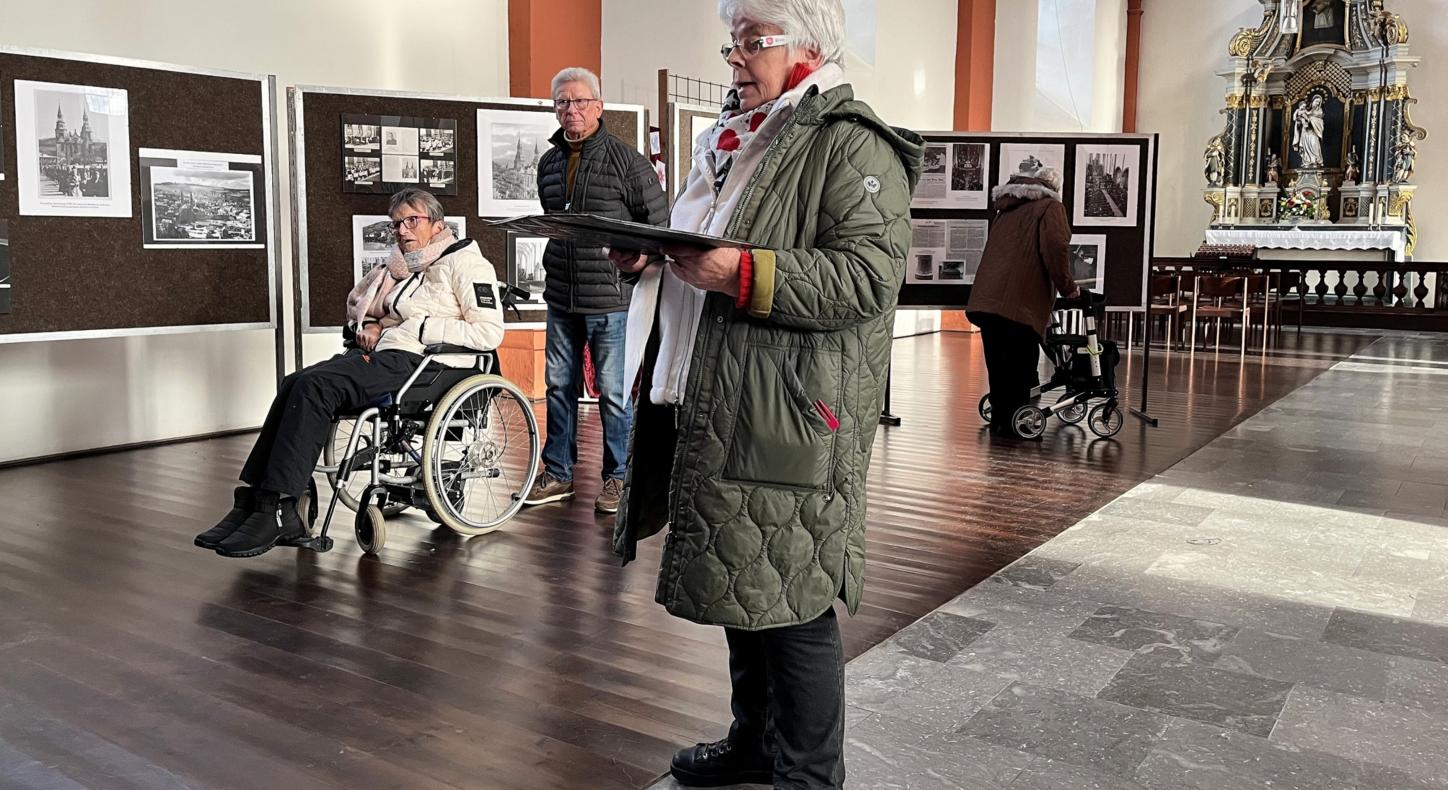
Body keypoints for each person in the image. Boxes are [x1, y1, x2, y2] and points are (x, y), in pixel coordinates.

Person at [607, 1, 922, 786]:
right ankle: (754, 744)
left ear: (809, 47)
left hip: (784, 412)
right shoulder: (736, 137)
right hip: (714, 395)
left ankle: (810, 777)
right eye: (732, 43)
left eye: (754, 43)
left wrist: (743, 272)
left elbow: (867, 279)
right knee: (739, 578)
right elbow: (704, 244)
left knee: (794, 602)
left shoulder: (847, 141)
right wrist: (651, 261)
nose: (735, 60)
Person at [193, 187, 505, 558]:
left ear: (437, 225)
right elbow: (397, 315)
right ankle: (255, 502)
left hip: (433, 367)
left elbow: (489, 333)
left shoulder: (468, 265)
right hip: (398, 357)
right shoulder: (418, 267)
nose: (402, 230)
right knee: (296, 381)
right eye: (396, 224)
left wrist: (420, 329)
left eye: (412, 221)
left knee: (316, 388)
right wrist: (377, 326)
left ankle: (282, 506)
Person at [523, 66, 668, 515]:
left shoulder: (628, 162)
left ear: (598, 106)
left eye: (580, 101)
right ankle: (559, 474)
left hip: (610, 300)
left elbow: (660, 225)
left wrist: (639, 260)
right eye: (562, 102)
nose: (571, 109)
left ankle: (619, 477)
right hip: (561, 297)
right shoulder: (547, 164)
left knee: (614, 391)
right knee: (559, 387)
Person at [966, 162, 1078, 440]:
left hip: (987, 300)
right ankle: (1020, 425)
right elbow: (1056, 249)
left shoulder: (1005, 209)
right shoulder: (1050, 208)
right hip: (1020, 303)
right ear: (1052, 188)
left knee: (999, 366)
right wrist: (1069, 288)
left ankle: (1002, 422)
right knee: (1021, 367)